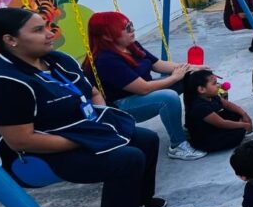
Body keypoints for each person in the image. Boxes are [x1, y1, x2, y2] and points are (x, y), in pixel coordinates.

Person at [0, 8, 163, 207]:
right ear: (10, 40)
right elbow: (20, 141)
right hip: (38, 151)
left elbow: (92, 92)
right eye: (39, 30)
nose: (50, 34)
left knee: (146, 139)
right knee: (126, 158)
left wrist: (99, 121)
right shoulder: (3, 81)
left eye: (48, 26)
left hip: (82, 129)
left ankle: (139, 200)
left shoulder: (59, 60)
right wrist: (86, 139)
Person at [85, 11, 206, 161]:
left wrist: (192, 68)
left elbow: (158, 65)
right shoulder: (105, 60)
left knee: (192, 77)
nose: (132, 30)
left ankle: (194, 125)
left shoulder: (131, 45)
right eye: (126, 28)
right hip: (122, 105)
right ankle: (178, 145)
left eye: (131, 25)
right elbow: (144, 88)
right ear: (107, 36)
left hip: (142, 94)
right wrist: (175, 77)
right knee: (168, 97)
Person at [183, 69, 253, 152]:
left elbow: (228, 105)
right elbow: (221, 123)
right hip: (205, 140)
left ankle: (242, 132)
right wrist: (243, 125)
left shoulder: (211, 96)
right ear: (201, 89)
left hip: (212, 127)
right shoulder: (199, 107)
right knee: (236, 132)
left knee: (235, 113)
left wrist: (244, 114)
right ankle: (244, 138)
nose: (218, 85)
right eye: (214, 84)